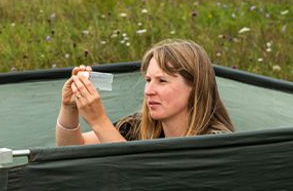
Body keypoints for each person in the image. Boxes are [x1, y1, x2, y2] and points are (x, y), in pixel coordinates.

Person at [55, 39, 234, 145]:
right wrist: (70, 108)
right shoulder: (138, 126)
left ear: (195, 87)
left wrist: (100, 122)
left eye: (162, 81)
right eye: (148, 80)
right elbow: (74, 148)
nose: (149, 91)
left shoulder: (216, 143)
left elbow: (147, 177)